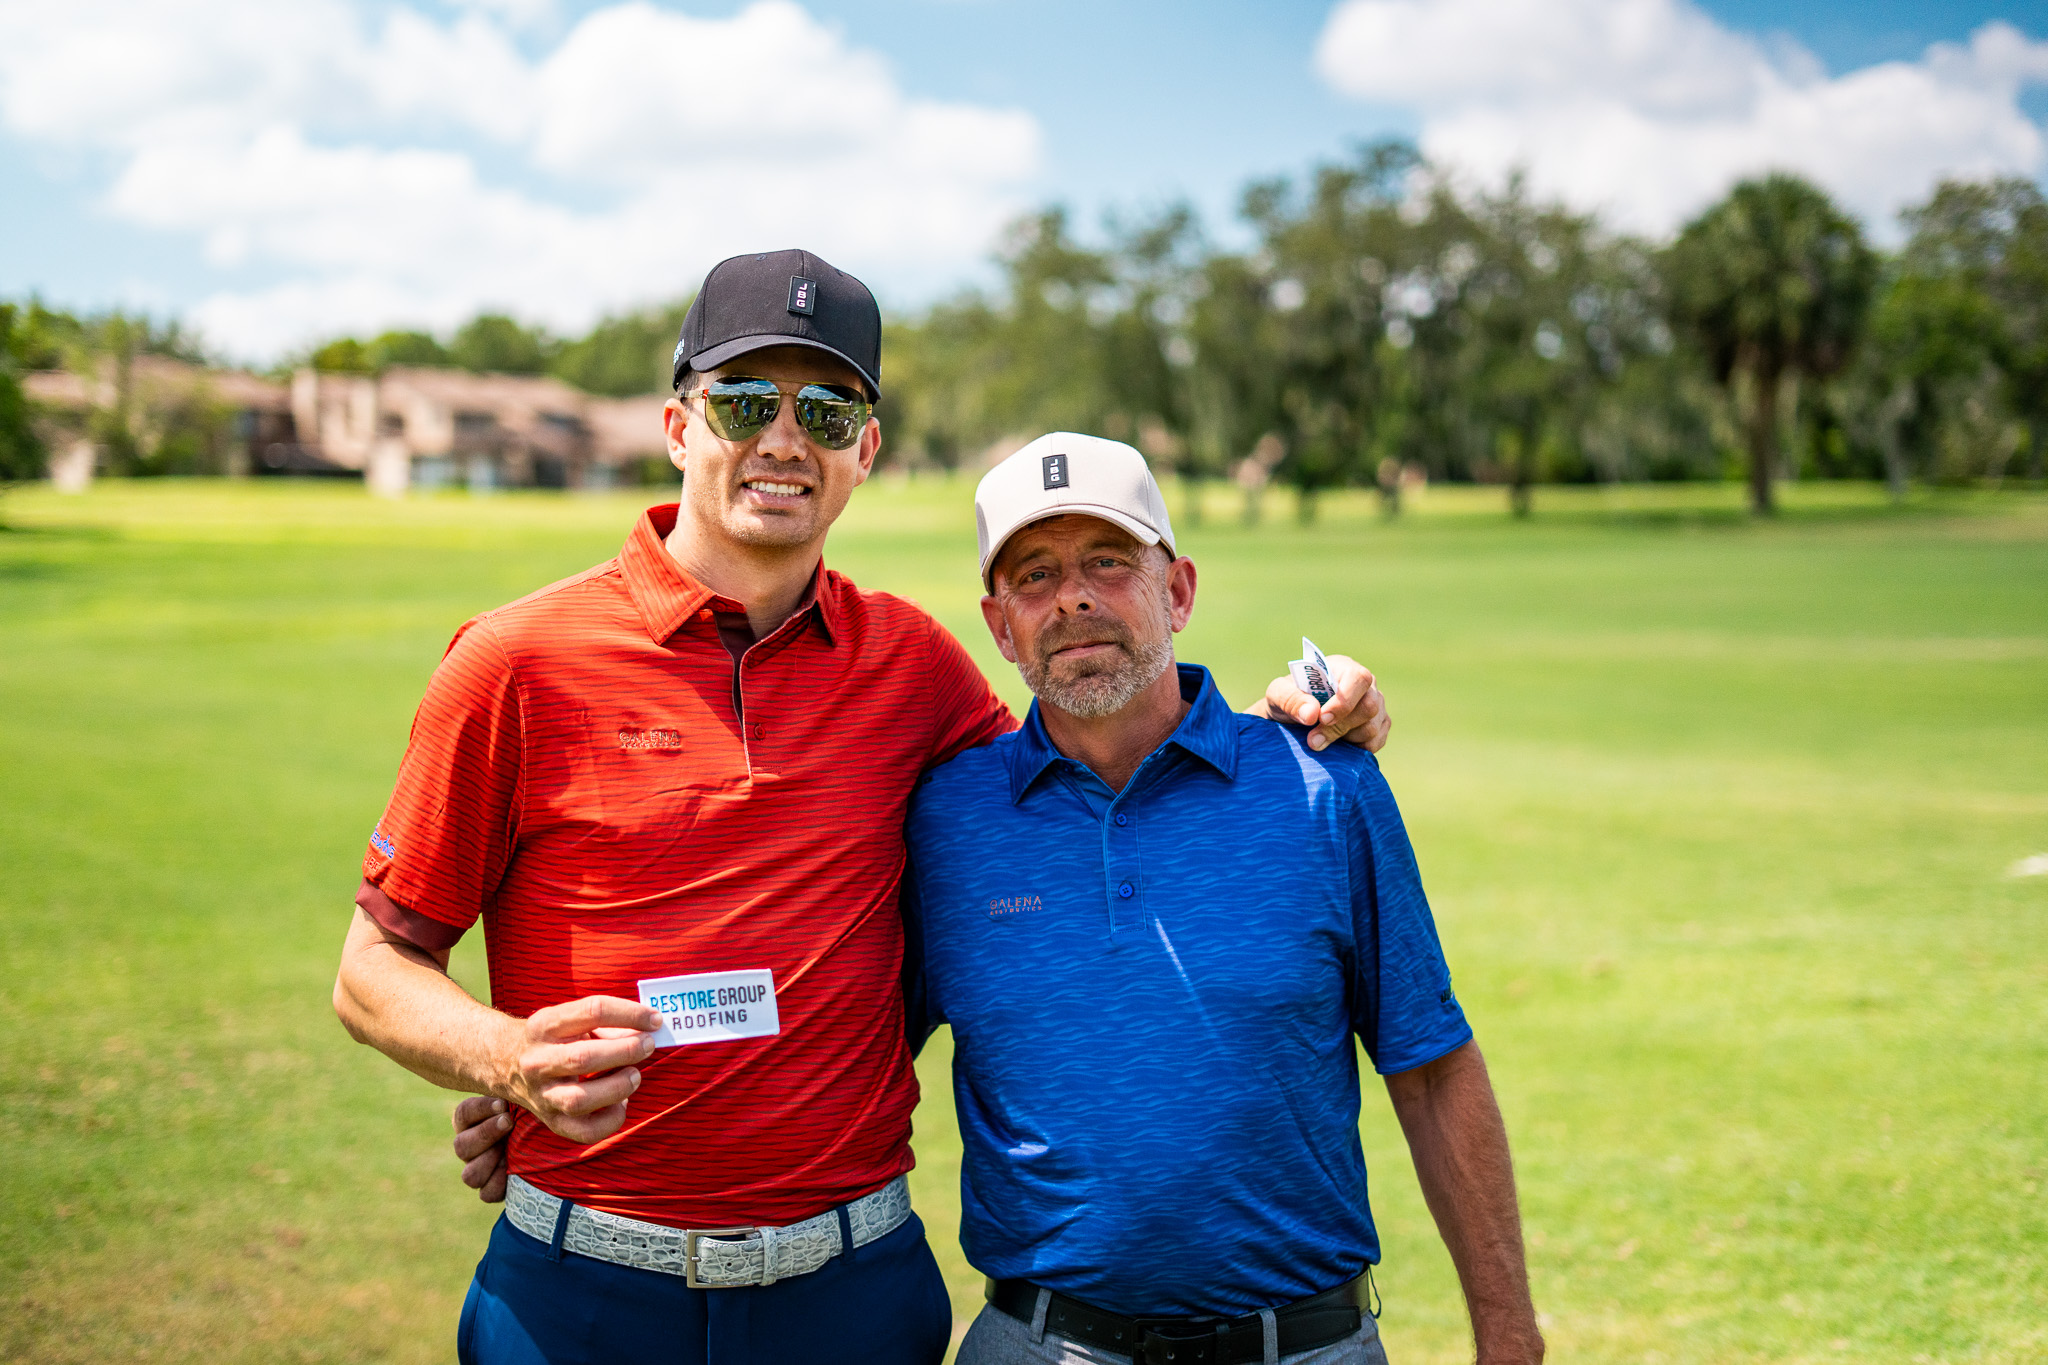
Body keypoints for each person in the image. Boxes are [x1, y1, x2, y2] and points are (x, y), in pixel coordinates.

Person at [335, 249, 1391, 1365]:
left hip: (848, 1296)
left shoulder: (916, 668)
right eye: (745, 401)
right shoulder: (515, 662)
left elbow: (1090, 762)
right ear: (679, 426)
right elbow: (374, 970)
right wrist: (503, 1062)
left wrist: (1290, 724)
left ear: (865, 452)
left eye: (827, 413)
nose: (785, 440)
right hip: (582, 1295)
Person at [892, 436, 1545, 1364]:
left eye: (1109, 561)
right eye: (1036, 574)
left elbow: (1433, 1068)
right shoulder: (947, 820)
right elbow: (849, 1054)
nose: (1074, 595)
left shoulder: (1323, 787)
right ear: (1001, 628)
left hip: (1307, 1344)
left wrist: (1510, 1335)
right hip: (1040, 1344)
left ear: (1180, 591)